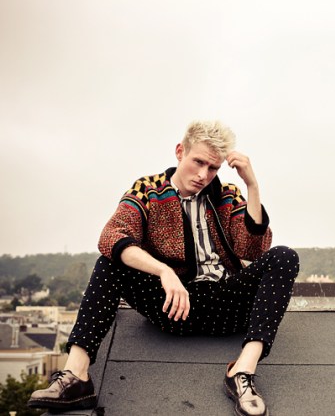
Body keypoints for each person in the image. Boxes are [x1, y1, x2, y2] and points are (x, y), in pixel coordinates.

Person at [28, 121, 298, 416]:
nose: (203, 175)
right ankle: (77, 376)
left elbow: (253, 249)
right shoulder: (149, 190)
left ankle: (242, 371)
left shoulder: (227, 195)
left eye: (213, 168)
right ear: (180, 151)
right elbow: (112, 236)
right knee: (109, 262)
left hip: (225, 307)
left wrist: (252, 186)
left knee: (284, 257)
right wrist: (163, 271)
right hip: (173, 307)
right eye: (198, 162)